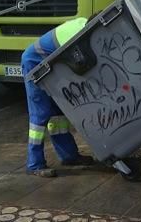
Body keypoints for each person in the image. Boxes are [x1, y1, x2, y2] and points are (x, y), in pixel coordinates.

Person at [20, 18, 95, 177]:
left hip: (48, 67)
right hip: (34, 66)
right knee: (40, 115)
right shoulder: (78, 35)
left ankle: (69, 156)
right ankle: (34, 165)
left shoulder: (82, 24)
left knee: (58, 113)